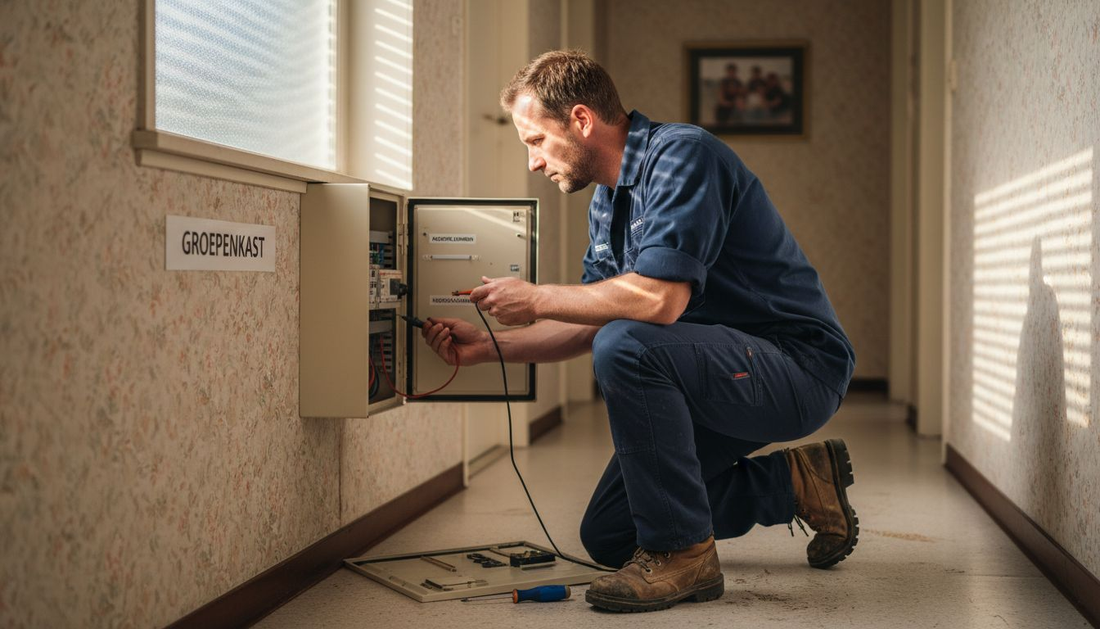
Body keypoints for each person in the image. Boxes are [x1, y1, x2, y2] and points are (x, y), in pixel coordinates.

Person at [419, 50, 857, 613]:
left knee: (626, 345)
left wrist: (536, 296)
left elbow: (659, 300)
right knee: (610, 534)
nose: (532, 162)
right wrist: (488, 349)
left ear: (581, 120)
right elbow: (591, 320)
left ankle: (684, 555)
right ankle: (798, 482)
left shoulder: (683, 157)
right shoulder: (606, 202)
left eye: (535, 141)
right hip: (708, 375)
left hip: (796, 368)